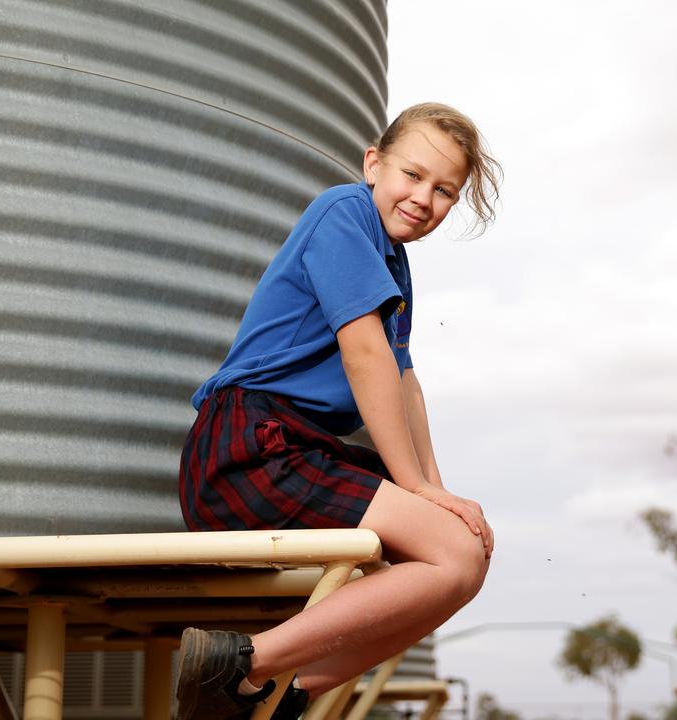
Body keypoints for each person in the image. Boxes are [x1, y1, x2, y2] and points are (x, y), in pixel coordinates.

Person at [173, 102, 501, 720]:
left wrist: (434, 489)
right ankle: (241, 662)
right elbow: (365, 353)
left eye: (444, 191)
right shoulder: (342, 213)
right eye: (412, 174)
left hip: (298, 448)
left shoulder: (393, 260)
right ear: (373, 164)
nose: (423, 198)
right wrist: (412, 485)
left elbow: (403, 379)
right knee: (452, 550)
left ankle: (285, 693)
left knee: (468, 550)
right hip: (250, 448)